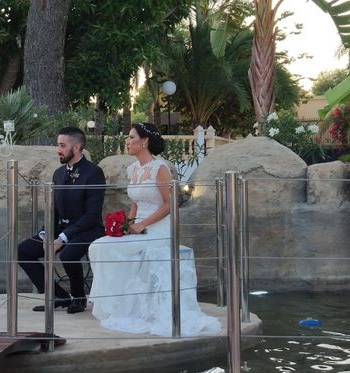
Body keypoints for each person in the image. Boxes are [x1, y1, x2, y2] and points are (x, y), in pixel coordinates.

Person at [88, 122, 220, 335]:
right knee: (98, 246)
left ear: (145, 141)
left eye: (131, 137)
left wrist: (142, 224)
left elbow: (170, 204)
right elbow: (136, 202)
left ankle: (131, 307)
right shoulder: (134, 169)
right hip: (138, 228)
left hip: (158, 230)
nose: (127, 141)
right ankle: (119, 305)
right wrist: (126, 224)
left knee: (107, 248)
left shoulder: (160, 168)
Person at [18, 126, 105, 314]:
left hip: (88, 229)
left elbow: (92, 215)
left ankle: (79, 297)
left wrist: (62, 238)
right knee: (23, 251)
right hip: (62, 228)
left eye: (62, 145)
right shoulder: (58, 173)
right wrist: (46, 234)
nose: (58, 149)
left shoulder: (94, 173)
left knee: (68, 255)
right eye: (58, 145)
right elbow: (55, 209)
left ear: (77, 147)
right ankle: (59, 295)